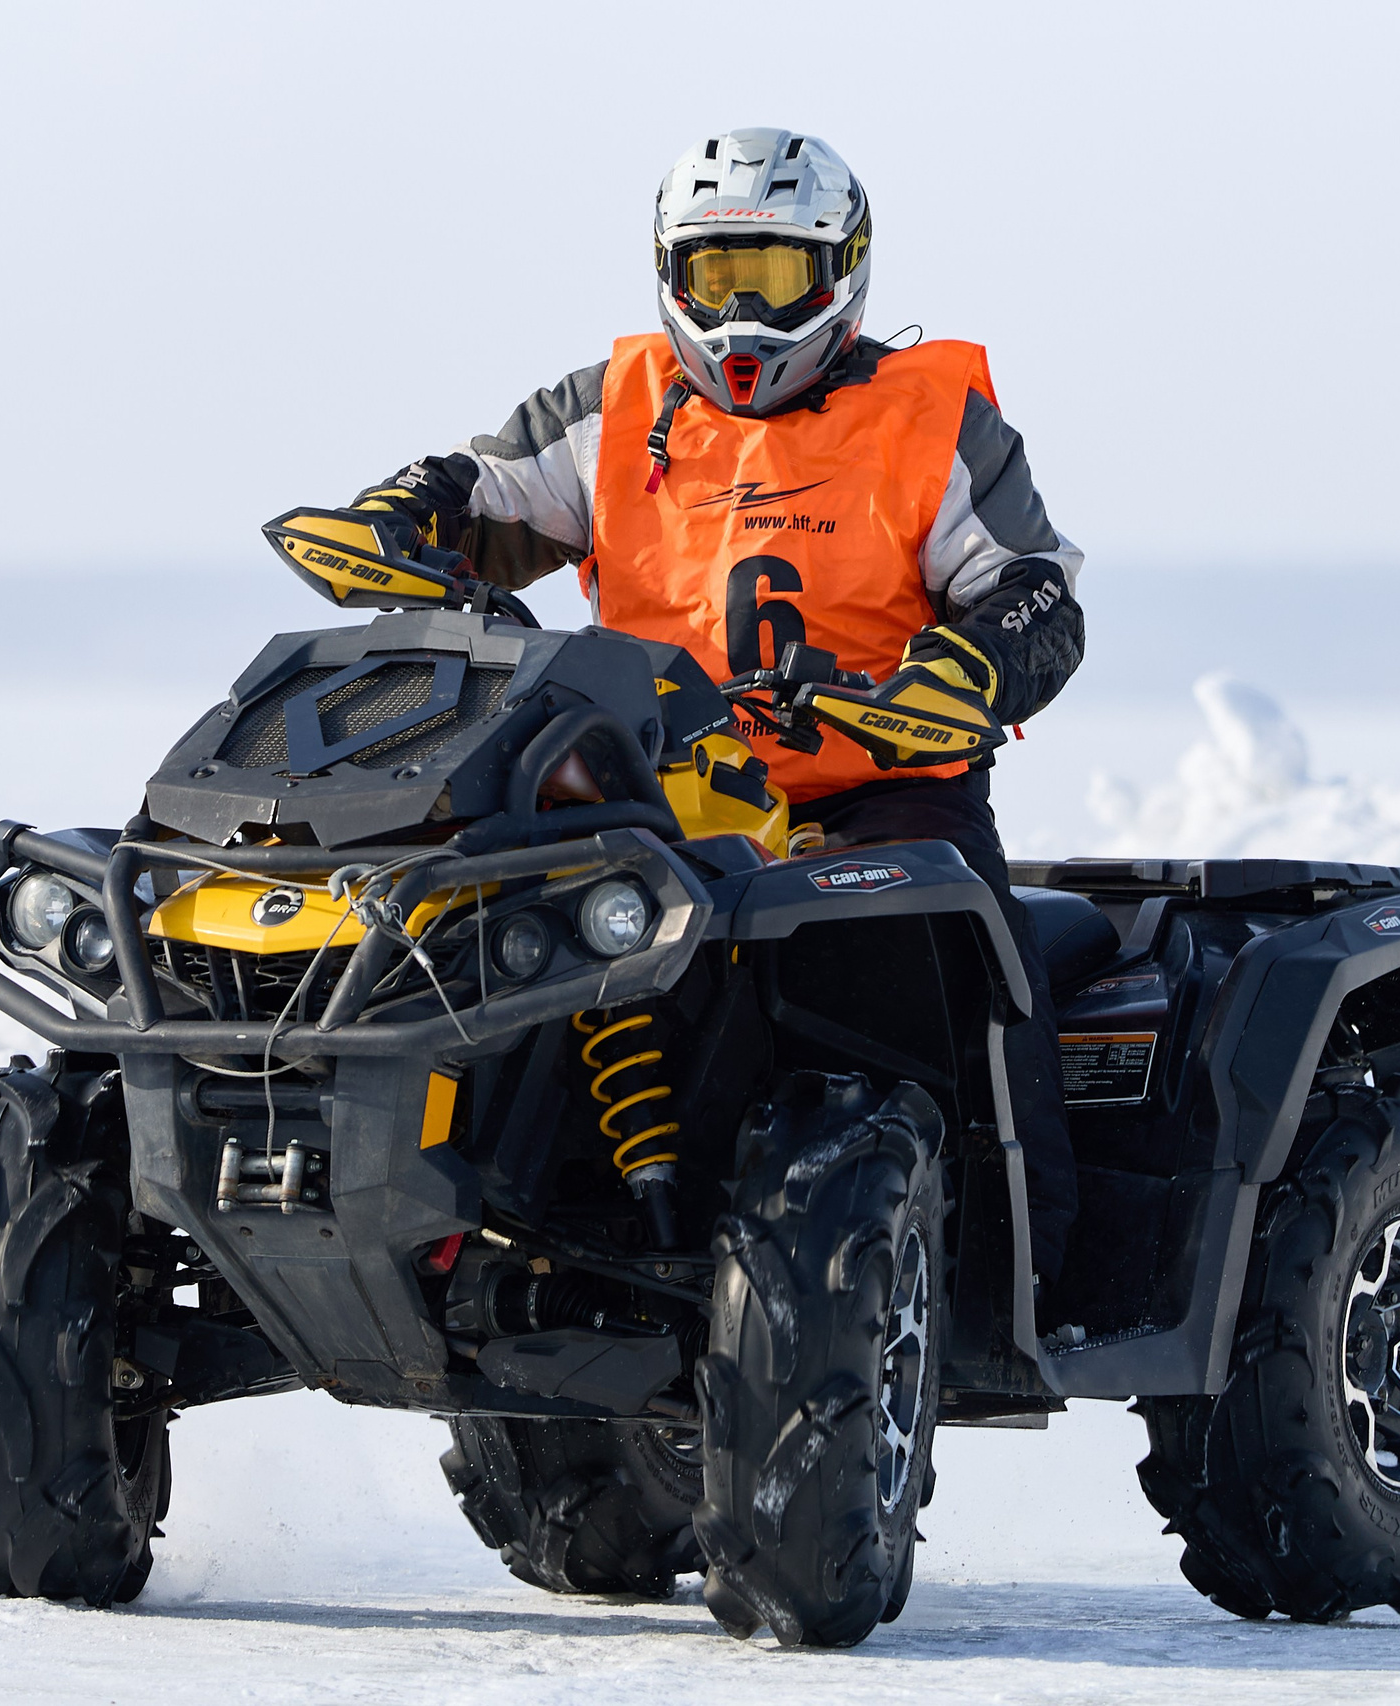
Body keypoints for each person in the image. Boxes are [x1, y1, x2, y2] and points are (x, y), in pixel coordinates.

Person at [343, 127, 1084, 1289]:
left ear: (840, 271)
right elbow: (485, 491)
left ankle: (1030, 1278)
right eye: (716, 272)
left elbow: (1032, 587)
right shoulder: (611, 405)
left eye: (773, 274)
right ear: (668, 271)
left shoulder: (934, 419)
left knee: (988, 1006)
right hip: (646, 793)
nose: (741, 309)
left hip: (876, 791)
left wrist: (963, 673)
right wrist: (406, 515)